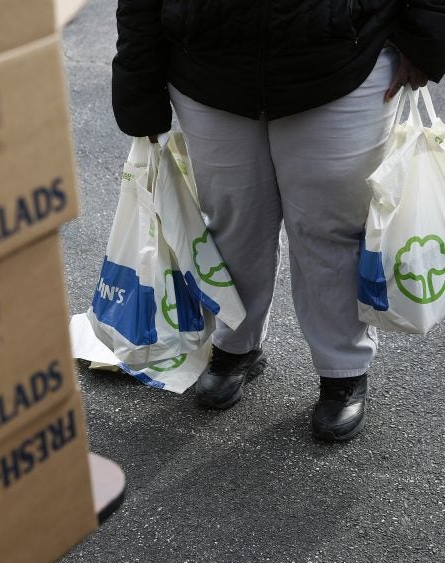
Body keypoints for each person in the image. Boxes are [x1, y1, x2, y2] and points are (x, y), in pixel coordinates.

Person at [112, 1, 445, 441]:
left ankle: (342, 369)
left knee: (330, 229)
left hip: (341, 58)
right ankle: (235, 347)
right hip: (210, 66)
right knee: (231, 225)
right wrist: (139, 78)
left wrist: (426, 34)